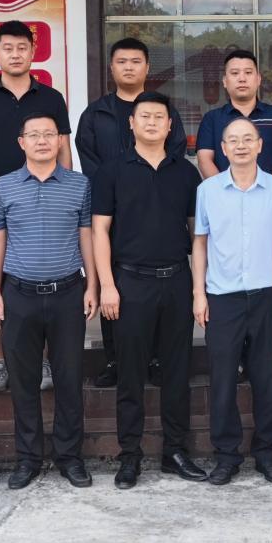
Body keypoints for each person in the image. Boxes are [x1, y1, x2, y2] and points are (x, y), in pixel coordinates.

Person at [93, 91, 207, 489]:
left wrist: (198, 289)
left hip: (176, 280)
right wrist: (107, 285)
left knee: (177, 371)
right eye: (145, 116)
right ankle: (130, 456)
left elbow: (197, 235)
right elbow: (100, 231)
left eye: (160, 117)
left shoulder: (186, 173)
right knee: (130, 374)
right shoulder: (111, 171)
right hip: (130, 282)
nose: (152, 122)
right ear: (132, 123)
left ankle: (175, 451)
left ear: (170, 124)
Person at [0, 113, 97, 490]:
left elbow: (86, 236)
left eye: (49, 134)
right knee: (23, 381)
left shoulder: (79, 185)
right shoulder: (3, 186)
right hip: (19, 295)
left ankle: (70, 457)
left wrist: (92, 285)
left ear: (60, 140)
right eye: (34, 135)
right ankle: (28, 459)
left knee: (69, 378)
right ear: (22, 143)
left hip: (68, 293)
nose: (42, 140)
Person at [0, 19, 72, 394]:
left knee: (42, 284)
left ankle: (42, 360)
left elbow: (64, 152)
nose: (15, 54)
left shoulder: (51, 99)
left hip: (45, 203)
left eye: (22, 47)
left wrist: (66, 194)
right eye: (7, 48)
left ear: (32, 51)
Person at [75, 36, 187, 388]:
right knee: (115, 285)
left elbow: (175, 154)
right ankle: (115, 359)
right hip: (110, 210)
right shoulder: (95, 114)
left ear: (147, 67)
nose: (128, 67)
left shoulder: (163, 111)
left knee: (156, 292)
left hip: (156, 208)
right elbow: (89, 158)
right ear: (111, 67)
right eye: (121, 61)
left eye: (135, 61)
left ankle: (155, 358)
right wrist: (119, 190)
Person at [192, 118, 272, 485]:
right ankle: (226, 456)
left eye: (247, 139)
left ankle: (267, 454)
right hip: (222, 297)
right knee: (222, 380)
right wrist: (199, 294)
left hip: (267, 295)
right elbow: (200, 243)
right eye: (233, 140)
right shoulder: (208, 190)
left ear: (259, 145)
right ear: (222, 148)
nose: (240, 146)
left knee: (266, 378)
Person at [196, 48, 272, 382]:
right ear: (225, 81)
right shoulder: (213, 119)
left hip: (265, 204)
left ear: (258, 78)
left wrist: (266, 190)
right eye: (234, 73)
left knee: (269, 280)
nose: (241, 78)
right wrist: (227, 192)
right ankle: (237, 359)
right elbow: (205, 157)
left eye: (248, 72)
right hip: (226, 204)